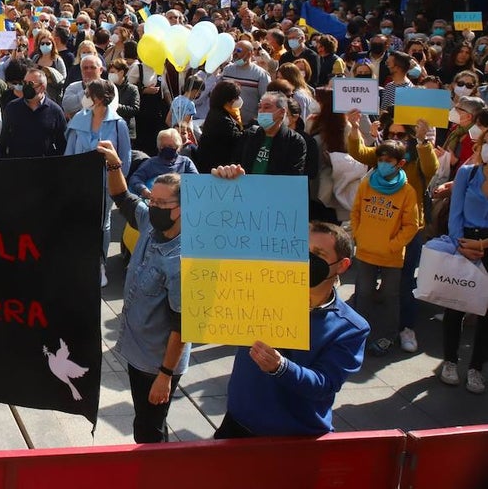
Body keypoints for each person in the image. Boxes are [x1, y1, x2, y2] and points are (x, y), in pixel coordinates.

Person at [216, 219, 369, 437]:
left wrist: (280, 367)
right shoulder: (262, 292)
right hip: (238, 423)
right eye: (302, 251)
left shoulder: (351, 328)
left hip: (292, 436)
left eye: (318, 254)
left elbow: (324, 384)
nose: (306, 260)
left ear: (342, 265)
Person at [99, 140, 188, 443]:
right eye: (153, 200)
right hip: (137, 352)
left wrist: (165, 374)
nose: (154, 207)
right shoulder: (150, 223)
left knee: (150, 429)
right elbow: (122, 197)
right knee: (144, 420)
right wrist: (114, 165)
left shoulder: (181, 260)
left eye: (163, 204)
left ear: (181, 210)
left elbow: (182, 324)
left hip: (156, 362)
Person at [348, 139, 420, 356]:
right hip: (365, 252)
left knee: (390, 297)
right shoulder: (367, 184)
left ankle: (387, 336)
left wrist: (392, 245)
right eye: (380, 160)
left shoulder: (407, 192)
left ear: (400, 164)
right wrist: (359, 234)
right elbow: (356, 212)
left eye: (388, 161)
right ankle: (358, 334)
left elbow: (411, 226)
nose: (383, 164)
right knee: (363, 294)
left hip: (391, 256)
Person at [66, 79, 130, 286]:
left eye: (88, 94)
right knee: (80, 223)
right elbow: (70, 153)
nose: (85, 97)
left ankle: (99, 265)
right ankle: (81, 263)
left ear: (100, 98)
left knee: (102, 224)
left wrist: (118, 185)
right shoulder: (78, 119)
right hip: (80, 184)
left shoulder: (118, 123)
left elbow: (124, 157)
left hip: (105, 184)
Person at [439, 129, 488, 393]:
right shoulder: (467, 174)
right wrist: (461, 245)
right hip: (464, 243)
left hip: (485, 244)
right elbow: (454, 214)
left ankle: (476, 367)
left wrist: (483, 245)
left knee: (486, 312)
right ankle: (450, 360)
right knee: (455, 306)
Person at [1, 65, 67, 158]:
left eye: (31, 84)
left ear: (42, 87)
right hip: (17, 166)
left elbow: (62, 143)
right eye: (25, 82)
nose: (26, 86)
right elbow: (3, 139)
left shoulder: (55, 111)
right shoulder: (12, 107)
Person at [236, 92, 307, 176]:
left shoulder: (294, 141)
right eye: (260, 107)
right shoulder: (249, 135)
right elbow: (235, 162)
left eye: (267, 107)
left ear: (282, 112)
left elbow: (294, 176)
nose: (261, 111)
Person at [193, 80, 243, 173]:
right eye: (236, 97)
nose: (238, 100)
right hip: (215, 169)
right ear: (229, 100)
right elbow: (238, 139)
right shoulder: (222, 119)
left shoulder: (218, 113)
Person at [219, 41, 271, 125]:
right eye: (234, 50)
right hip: (227, 121)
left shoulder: (260, 74)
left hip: (249, 124)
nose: (235, 53)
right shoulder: (227, 70)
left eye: (239, 50)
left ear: (250, 53)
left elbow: (266, 100)